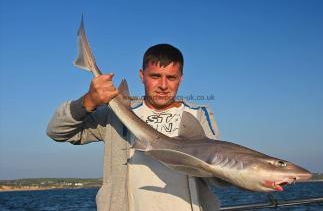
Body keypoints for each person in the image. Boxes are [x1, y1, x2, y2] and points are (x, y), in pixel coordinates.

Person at [46, 44, 220, 211]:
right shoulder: (114, 113)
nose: (163, 85)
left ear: (181, 78)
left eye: (171, 77)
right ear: (141, 75)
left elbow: (215, 175)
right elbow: (56, 131)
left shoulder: (198, 114)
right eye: (155, 76)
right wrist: (87, 101)